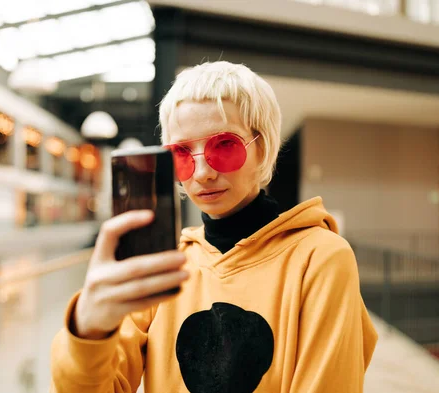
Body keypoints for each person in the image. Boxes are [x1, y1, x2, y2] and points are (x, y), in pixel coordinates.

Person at [50, 61, 378, 393]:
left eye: (224, 145)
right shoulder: (167, 264)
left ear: (261, 147)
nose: (203, 172)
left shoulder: (320, 259)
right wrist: (88, 330)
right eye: (181, 153)